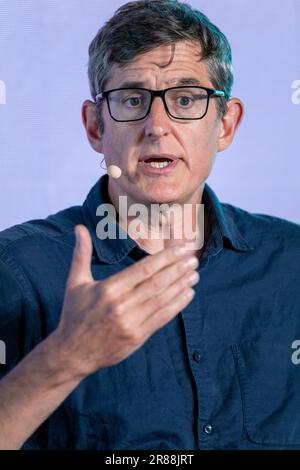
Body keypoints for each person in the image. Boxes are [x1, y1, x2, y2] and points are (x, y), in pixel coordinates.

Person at [0, 0, 299, 451]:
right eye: (132, 100)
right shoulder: (15, 269)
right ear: (95, 127)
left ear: (226, 124)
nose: (157, 127)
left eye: (185, 99)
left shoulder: (291, 261)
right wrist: (65, 357)